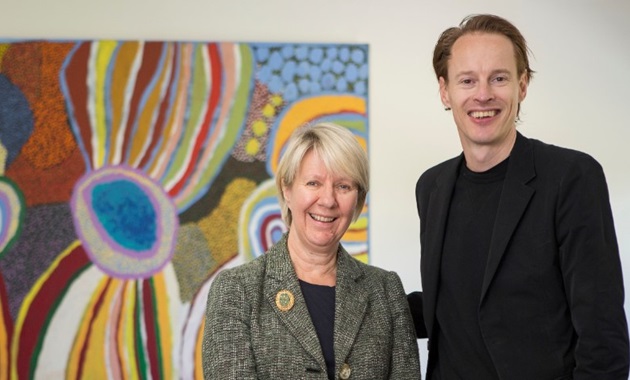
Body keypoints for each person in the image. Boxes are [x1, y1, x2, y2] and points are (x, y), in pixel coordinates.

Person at [407, 13, 629, 380]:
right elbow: (451, 305)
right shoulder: (431, 187)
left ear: (522, 86)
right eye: (467, 80)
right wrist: (355, 296)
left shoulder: (572, 178)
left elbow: (602, 338)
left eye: (499, 78)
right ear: (445, 90)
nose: (483, 94)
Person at [203, 122, 421, 379]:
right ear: (287, 189)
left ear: (358, 201)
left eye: (343, 186)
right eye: (313, 183)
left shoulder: (385, 291)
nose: (328, 200)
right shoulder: (237, 290)